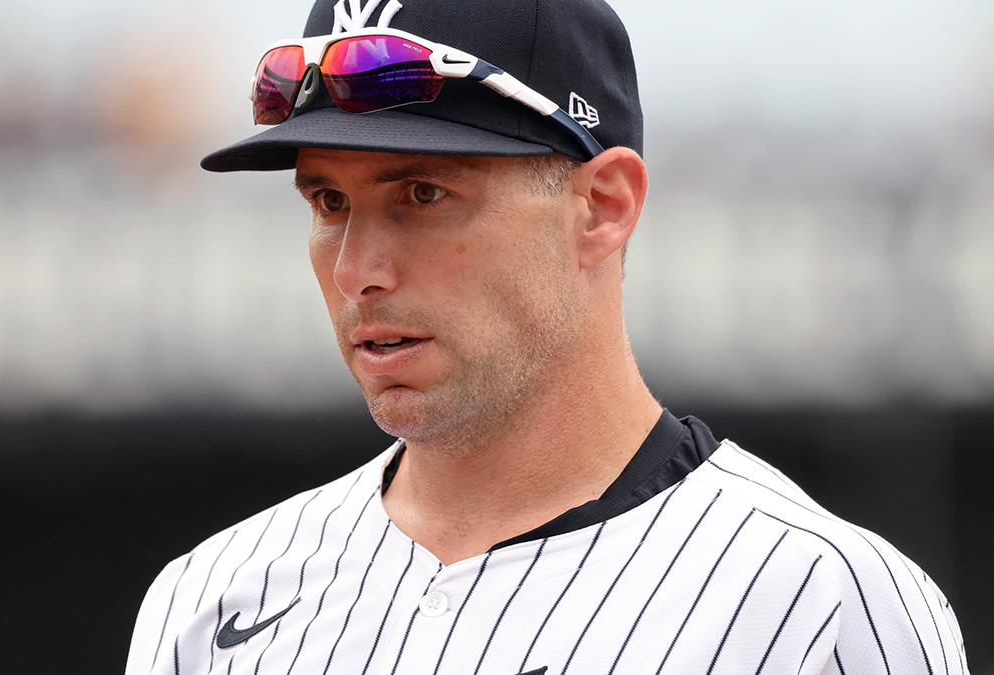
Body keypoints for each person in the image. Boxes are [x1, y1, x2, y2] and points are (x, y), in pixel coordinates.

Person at [125, 0, 970, 672]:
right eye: (328, 202)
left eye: (422, 194)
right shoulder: (209, 598)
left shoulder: (821, 603)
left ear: (602, 208)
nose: (357, 269)